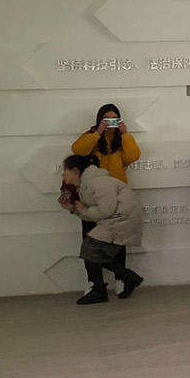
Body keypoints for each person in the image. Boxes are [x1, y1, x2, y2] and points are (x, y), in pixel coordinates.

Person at [59, 153, 144, 305]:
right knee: (94, 253)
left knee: (90, 251)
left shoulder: (97, 182)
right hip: (116, 220)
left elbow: (106, 210)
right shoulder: (86, 185)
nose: (63, 174)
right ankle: (127, 278)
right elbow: (93, 214)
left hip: (122, 220)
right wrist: (73, 209)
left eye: (65, 170)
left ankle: (102, 289)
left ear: (75, 170)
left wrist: (83, 210)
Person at [71, 103, 141, 183]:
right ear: (100, 120)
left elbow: (132, 157)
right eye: (107, 119)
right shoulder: (92, 135)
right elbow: (78, 150)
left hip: (117, 184)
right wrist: (98, 133)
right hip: (95, 184)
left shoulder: (123, 138)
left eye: (114, 119)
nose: (110, 122)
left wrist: (125, 134)